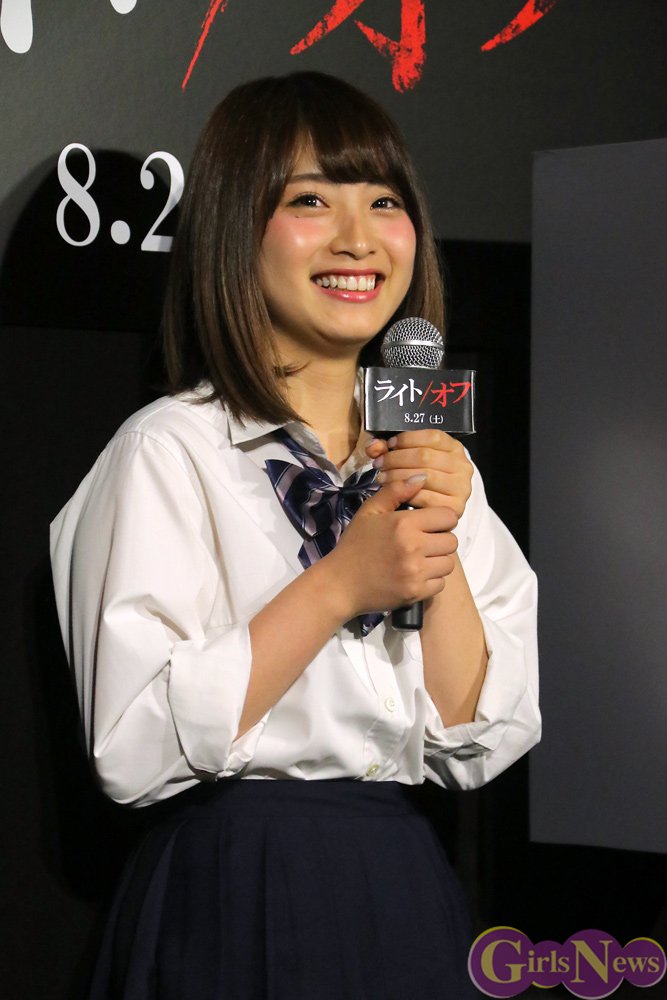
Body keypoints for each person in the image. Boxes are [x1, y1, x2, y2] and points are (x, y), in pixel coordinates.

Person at [50, 72, 540, 1000]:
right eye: (311, 200)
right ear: (236, 231)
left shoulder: (430, 461)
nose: (358, 237)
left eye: (384, 201)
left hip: (400, 882)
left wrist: (434, 533)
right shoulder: (171, 449)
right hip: (233, 883)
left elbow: (473, 737)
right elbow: (130, 746)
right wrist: (339, 584)